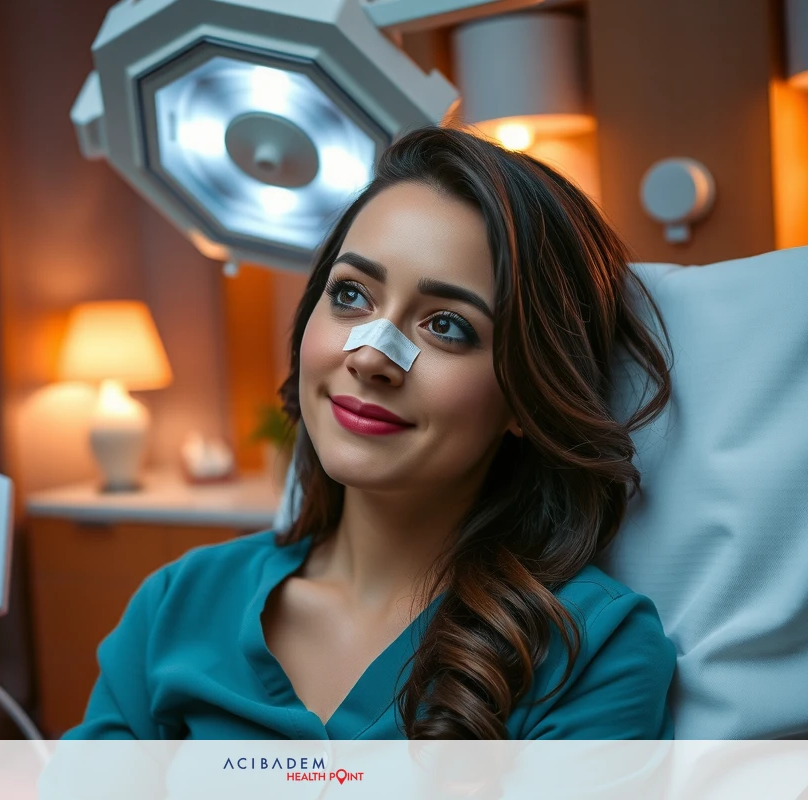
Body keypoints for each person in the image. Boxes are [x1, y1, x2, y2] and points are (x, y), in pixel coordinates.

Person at [63, 125, 676, 740]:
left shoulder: (592, 651)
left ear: (526, 396)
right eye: (351, 294)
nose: (372, 357)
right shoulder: (176, 606)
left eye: (447, 326)